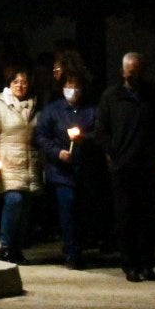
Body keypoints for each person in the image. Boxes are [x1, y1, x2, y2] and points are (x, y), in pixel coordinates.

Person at [95, 51, 155, 281]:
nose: (133, 76)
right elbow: (101, 130)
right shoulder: (111, 97)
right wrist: (113, 153)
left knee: (147, 217)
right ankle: (130, 264)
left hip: (147, 166)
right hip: (123, 167)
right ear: (122, 72)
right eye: (129, 72)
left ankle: (147, 263)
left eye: (137, 72)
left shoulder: (153, 95)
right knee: (125, 218)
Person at [36, 66, 97, 268]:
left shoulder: (91, 111)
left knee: (82, 211)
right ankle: (72, 252)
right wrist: (57, 152)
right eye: (69, 85)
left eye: (76, 85)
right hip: (61, 172)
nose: (72, 89)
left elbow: (99, 134)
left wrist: (84, 139)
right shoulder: (52, 110)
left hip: (84, 170)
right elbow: (41, 137)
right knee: (67, 208)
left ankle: (79, 246)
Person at [0, 67, 42, 265]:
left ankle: (17, 249)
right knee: (14, 200)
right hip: (8, 164)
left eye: (23, 82)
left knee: (25, 209)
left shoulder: (33, 106)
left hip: (29, 164)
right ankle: (6, 246)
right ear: (9, 83)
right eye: (16, 81)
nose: (20, 86)